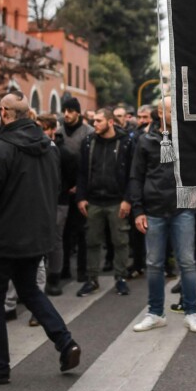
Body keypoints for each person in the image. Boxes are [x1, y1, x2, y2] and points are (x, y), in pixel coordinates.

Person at [0, 93, 82, 385]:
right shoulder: (48, 145)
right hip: (35, 235)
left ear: (4, 112)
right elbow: (55, 188)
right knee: (30, 291)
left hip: (1, 237)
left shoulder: (1, 147)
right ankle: (66, 343)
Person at [129, 97, 196, 334]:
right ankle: (155, 312)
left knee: (188, 262)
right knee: (153, 264)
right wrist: (138, 209)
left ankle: (191, 312)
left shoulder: (187, 137)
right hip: (153, 210)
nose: (178, 113)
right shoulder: (145, 141)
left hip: (182, 209)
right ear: (161, 113)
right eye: (173, 110)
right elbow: (136, 176)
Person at [76, 108, 135, 297]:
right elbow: (83, 171)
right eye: (94, 121)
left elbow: (131, 174)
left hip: (117, 200)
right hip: (93, 200)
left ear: (110, 122)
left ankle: (121, 278)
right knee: (92, 241)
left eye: (99, 121)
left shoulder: (125, 142)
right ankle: (92, 279)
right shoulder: (88, 142)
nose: (95, 125)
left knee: (120, 241)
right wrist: (81, 197)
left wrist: (127, 199)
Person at [37, 114, 78, 296]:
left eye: (44, 128)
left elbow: (72, 174)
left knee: (55, 240)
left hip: (59, 201)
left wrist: (66, 189)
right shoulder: (35, 148)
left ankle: (54, 278)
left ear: (53, 129)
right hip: (39, 201)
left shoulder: (64, 152)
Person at [59, 97, 94, 283]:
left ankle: (82, 270)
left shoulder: (89, 133)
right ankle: (63, 268)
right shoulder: (58, 132)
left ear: (78, 112)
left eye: (71, 110)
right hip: (62, 189)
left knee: (82, 232)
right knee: (63, 233)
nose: (67, 114)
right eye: (65, 110)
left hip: (82, 190)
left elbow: (90, 163)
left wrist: (81, 187)